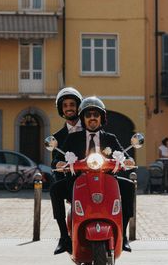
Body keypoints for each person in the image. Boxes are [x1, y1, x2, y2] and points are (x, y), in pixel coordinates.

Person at [52, 96, 136, 254]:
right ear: (83, 119)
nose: (92, 118)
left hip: (107, 179)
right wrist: (58, 163)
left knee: (129, 187)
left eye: (96, 115)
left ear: (101, 118)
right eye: (88, 115)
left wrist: (129, 161)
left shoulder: (110, 138)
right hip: (77, 180)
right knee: (56, 189)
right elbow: (58, 157)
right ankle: (64, 237)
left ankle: (123, 235)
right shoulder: (73, 137)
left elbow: (125, 155)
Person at [51, 87, 83, 179]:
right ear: (61, 110)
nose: (68, 108)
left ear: (78, 107)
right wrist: (57, 164)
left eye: (72, 104)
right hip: (68, 181)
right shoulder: (57, 137)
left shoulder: (90, 130)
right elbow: (54, 160)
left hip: (92, 177)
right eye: (65, 105)